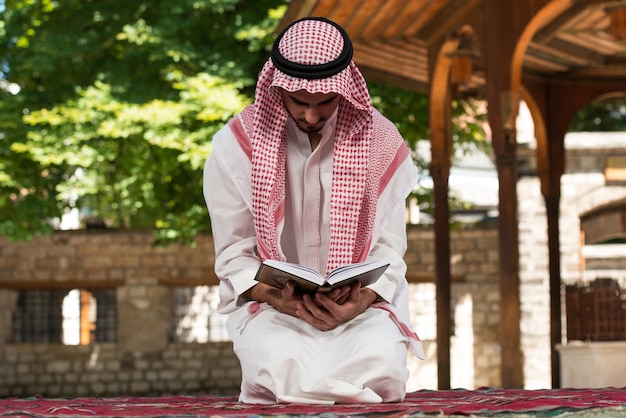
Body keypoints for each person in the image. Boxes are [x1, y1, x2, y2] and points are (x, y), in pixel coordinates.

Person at [203, 16, 424, 405]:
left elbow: (389, 252)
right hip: (276, 310)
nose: (311, 116)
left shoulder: (382, 142)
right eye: (299, 103)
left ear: (344, 90)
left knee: (381, 363)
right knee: (279, 364)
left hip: (359, 311)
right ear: (278, 89)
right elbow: (233, 256)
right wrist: (276, 298)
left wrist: (362, 300)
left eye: (325, 103)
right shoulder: (235, 148)